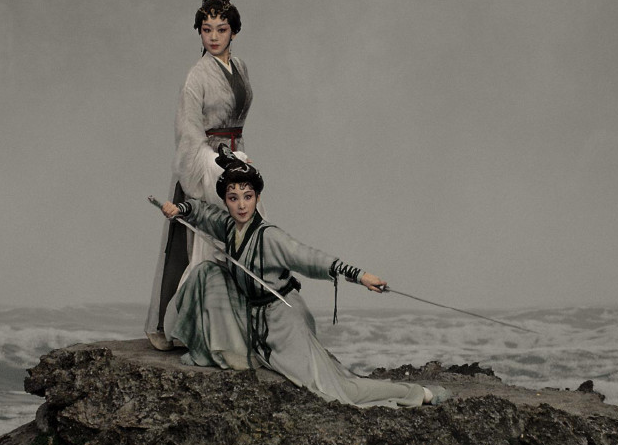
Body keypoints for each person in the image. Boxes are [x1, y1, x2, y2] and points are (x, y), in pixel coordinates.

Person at [157, 158, 449, 408]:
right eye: (233, 198)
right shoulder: (229, 227)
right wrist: (179, 209)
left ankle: (418, 393)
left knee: (335, 391)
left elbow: (311, 258)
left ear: (258, 197)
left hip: (284, 322)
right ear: (226, 201)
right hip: (253, 317)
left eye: (248, 196)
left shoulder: (270, 237)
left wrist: (360, 276)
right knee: (207, 272)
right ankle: (219, 349)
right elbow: (202, 213)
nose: (241, 205)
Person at [144, 0, 253, 351]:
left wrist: (239, 159)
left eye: (221, 29)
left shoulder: (240, 67)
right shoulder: (197, 75)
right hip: (205, 163)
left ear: (234, 31)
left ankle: (236, 326)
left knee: (242, 239)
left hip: (235, 160)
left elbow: (237, 121)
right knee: (200, 245)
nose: (214, 37)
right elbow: (188, 131)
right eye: (207, 30)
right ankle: (187, 327)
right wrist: (213, 163)